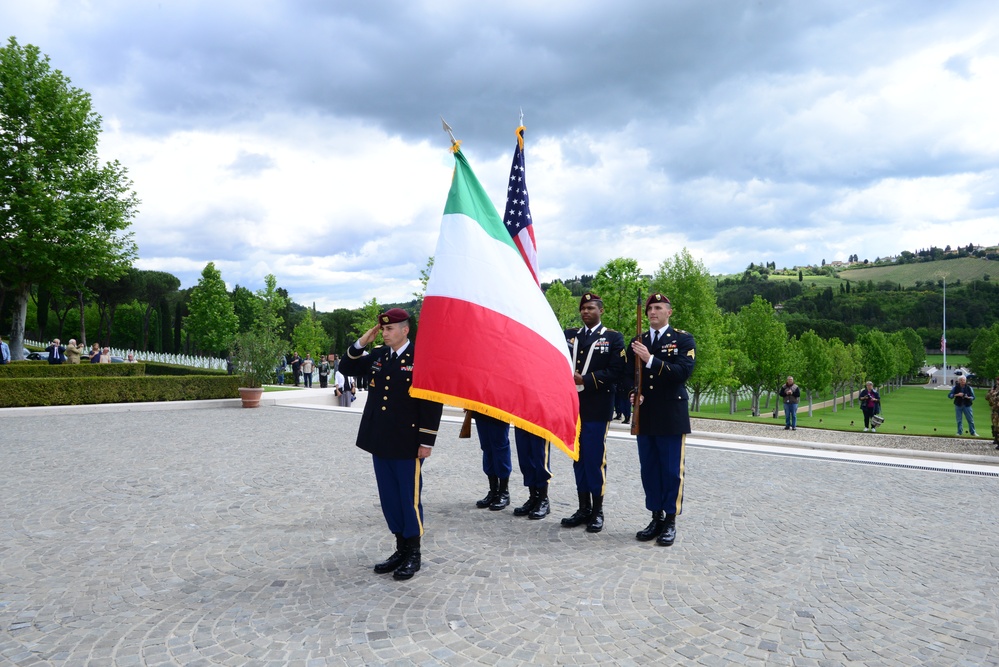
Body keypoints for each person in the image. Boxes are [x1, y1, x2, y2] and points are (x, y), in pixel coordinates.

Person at [337, 308, 443, 581]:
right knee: (389, 498)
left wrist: (426, 440)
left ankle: (414, 553)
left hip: (407, 441)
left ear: (405, 330)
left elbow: (431, 402)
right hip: (380, 438)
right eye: (382, 329)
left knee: (409, 498)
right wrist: (362, 342)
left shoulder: (422, 358)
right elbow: (347, 367)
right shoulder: (379, 355)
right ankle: (400, 548)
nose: (384, 333)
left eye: (389, 329)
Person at [626, 292, 696, 547]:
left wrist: (650, 359)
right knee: (650, 469)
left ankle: (670, 520)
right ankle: (655, 516)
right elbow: (626, 375)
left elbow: (682, 372)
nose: (652, 312)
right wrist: (633, 392)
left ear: (669, 312)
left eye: (658, 308)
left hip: (670, 415)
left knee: (670, 470)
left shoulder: (682, 339)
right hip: (645, 416)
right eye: (649, 309)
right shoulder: (638, 340)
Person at [560, 293, 625, 533]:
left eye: (590, 308)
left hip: (597, 405)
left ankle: (597, 511)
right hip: (573, 406)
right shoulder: (569, 335)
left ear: (601, 310)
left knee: (595, 459)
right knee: (577, 457)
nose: (585, 312)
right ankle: (583, 508)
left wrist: (586, 379)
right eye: (582, 308)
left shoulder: (613, 337)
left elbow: (617, 371)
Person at [471, 413, 513, 511]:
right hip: (480, 408)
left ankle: (504, 492)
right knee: (486, 447)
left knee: (500, 448)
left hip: (499, 409)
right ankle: (494, 491)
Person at [986, 375, 999, 449]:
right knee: (995, 425)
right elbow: (987, 398)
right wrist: (991, 393)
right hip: (994, 409)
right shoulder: (994, 388)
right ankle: (996, 438)